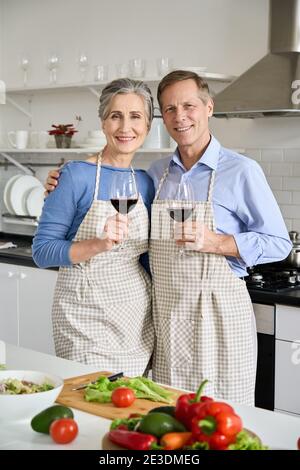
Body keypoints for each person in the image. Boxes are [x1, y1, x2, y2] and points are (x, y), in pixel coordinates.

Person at [45, 70, 292, 405]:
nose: (180, 116)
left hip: (219, 316)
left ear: (208, 107)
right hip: (166, 318)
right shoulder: (155, 174)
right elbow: (143, 247)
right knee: (167, 413)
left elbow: (279, 243)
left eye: (189, 105)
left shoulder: (241, 171)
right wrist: (61, 187)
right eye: (170, 109)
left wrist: (215, 242)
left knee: (220, 415)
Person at [32, 78, 155, 377]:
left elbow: (146, 258)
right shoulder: (75, 175)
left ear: (148, 126)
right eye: (116, 116)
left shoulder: (146, 183)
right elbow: (43, 251)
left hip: (136, 320)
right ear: (103, 123)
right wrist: (98, 244)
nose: (125, 127)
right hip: (84, 317)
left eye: (135, 116)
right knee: (91, 404)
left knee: (127, 411)